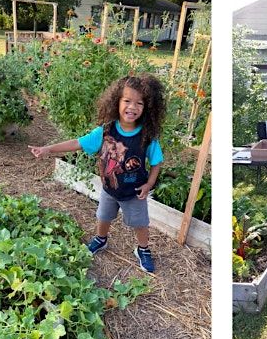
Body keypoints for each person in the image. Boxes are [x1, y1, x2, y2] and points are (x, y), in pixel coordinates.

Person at [30, 74, 166, 273]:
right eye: (127, 101)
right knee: (103, 216)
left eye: (139, 103)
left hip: (135, 193)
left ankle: (142, 249)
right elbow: (77, 142)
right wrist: (48, 149)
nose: (132, 107)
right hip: (109, 189)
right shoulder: (104, 132)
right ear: (116, 102)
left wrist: (148, 185)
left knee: (140, 223)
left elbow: (156, 163)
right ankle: (101, 239)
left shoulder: (147, 137)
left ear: (147, 108)